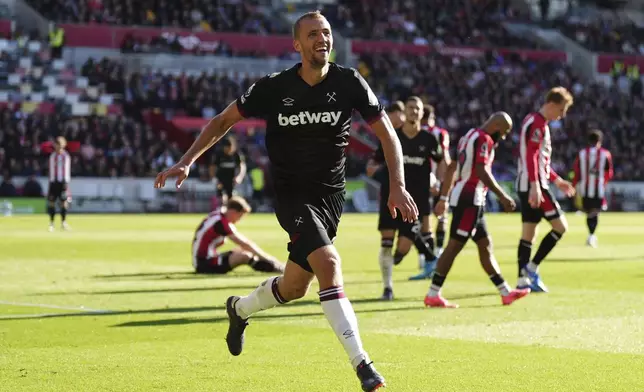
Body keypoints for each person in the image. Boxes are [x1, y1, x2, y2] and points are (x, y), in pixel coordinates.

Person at [154, 10, 418, 392]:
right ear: (296, 44)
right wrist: (186, 160)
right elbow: (223, 120)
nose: (321, 39)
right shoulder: (274, 87)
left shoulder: (350, 82)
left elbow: (388, 134)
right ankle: (363, 365)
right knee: (329, 263)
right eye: (312, 34)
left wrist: (397, 184)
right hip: (293, 198)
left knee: (296, 287)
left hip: (331, 199)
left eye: (326, 33)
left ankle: (239, 308)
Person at [424, 112, 531, 308]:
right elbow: (482, 170)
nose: (504, 137)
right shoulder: (484, 139)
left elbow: (452, 168)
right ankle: (433, 293)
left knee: (485, 245)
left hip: (469, 198)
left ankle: (505, 292)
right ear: (497, 127)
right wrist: (502, 195)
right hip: (470, 199)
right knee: (454, 246)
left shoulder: (468, 136)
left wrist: (444, 198)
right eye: (505, 132)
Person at [366, 96, 443, 300]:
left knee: (404, 247)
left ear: (421, 113)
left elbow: (441, 162)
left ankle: (395, 261)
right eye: (410, 108)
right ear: (405, 112)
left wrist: (439, 184)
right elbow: (371, 167)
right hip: (391, 200)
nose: (413, 112)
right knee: (386, 243)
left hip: (415, 202)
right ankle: (387, 287)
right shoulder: (391, 137)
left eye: (417, 109)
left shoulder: (428, 139)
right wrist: (383, 175)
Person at [515, 87, 576, 293]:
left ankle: (522, 280)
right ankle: (531, 269)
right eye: (561, 110)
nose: (562, 115)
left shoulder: (534, 121)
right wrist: (535, 186)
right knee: (560, 227)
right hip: (535, 185)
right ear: (551, 105)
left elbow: (539, 161)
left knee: (529, 233)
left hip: (530, 183)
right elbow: (531, 157)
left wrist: (558, 181)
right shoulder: (538, 125)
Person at [193, 196, 285, 274]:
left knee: (243, 251)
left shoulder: (218, 216)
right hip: (204, 263)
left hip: (203, 259)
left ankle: (275, 266)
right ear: (233, 212)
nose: (239, 220)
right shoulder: (221, 223)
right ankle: (275, 267)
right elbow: (245, 243)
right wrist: (269, 258)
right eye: (240, 216)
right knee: (245, 256)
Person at [572, 130, 613, 248]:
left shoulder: (582, 153)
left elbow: (576, 171)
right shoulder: (606, 154)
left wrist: (575, 185)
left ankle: (590, 236)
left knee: (589, 212)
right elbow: (609, 173)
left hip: (585, 188)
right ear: (600, 141)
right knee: (595, 212)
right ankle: (591, 236)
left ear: (589, 141)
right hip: (598, 188)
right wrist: (603, 182)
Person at [47, 137, 72, 231]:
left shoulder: (66, 156)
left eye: (60, 145)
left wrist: (66, 181)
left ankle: (63, 223)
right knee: (52, 203)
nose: (58, 147)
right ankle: (51, 223)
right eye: (57, 145)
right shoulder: (53, 156)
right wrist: (51, 182)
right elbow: (51, 170)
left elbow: (67, 169)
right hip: (54, 182)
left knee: (63, 203)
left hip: (63, 182)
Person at [213, 136, 246, 204]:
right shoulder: (219, 154)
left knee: (231, 196)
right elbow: (212, 167)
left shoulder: (237, 154)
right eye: (226, 148)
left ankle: (229, 210)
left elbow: (242, 166)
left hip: (232, 179)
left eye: (229, 148)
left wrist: (239, 177)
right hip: (221, 178)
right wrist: (215, 179)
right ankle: (222, 209)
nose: (228, 150)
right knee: (221, 196)